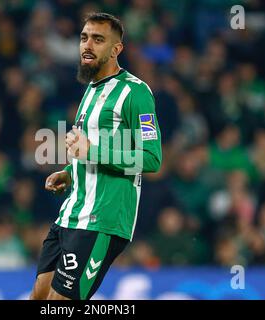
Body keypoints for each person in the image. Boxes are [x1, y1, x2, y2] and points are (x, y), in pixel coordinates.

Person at [30, 12, 162, 300]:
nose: (88, 45)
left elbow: (152, 158)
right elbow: (91, 148)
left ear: (116, 49)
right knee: (39, 298)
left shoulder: (136, 93)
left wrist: (92, 151)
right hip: (71, 213)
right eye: (84, 37)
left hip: (102, 220)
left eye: (98, 39)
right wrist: (69, 171)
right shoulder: (90, 89)